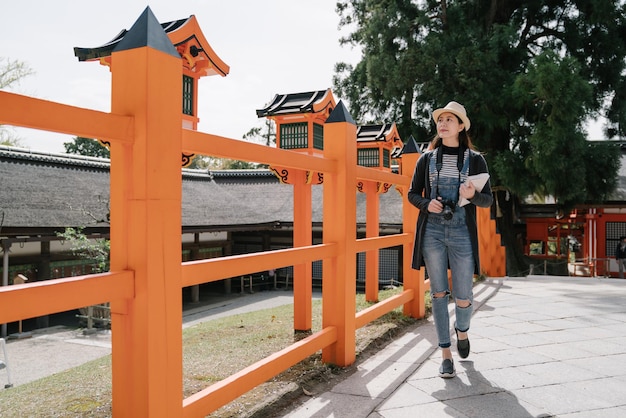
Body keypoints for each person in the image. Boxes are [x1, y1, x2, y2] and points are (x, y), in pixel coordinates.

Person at [408, 101, 493, 378]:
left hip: (461, 230)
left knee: (464, 296)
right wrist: (426, 204)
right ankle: (445, 354)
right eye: (440, 119)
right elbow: (413, 193)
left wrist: (471, 196)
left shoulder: (476, 160)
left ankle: (463, 331)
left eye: (449, 119)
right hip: (432, 230)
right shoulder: (426, 159)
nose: (442, 123)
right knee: (438, 294)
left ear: (460, 126)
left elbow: (487, 200)